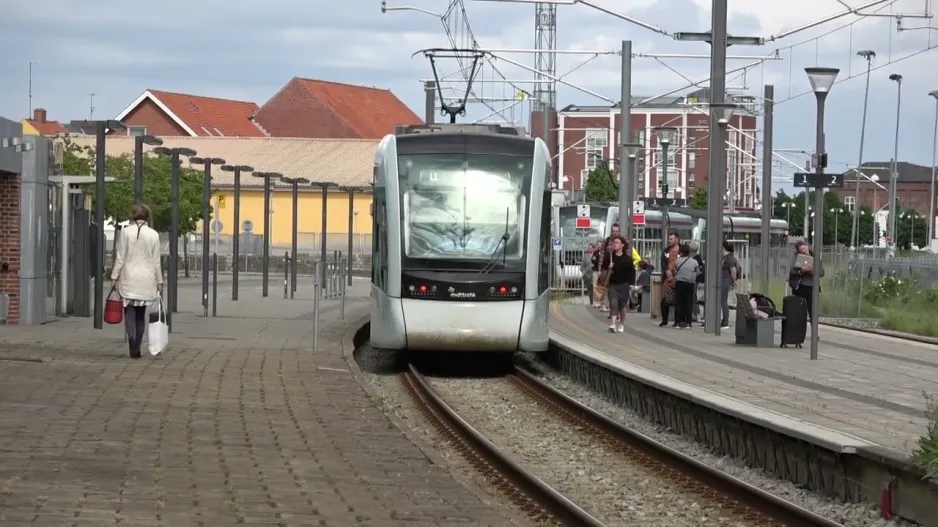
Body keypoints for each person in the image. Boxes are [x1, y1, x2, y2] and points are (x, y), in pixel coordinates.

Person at [111, 204, 163, 359]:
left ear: (133, 216)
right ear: (148, 216)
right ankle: (137, 346)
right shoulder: (154, 235)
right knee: (141, 315)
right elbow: (156, 261)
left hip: (129, 278)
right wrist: (159, 281)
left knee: (129, 313)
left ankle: (132, 341)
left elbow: (120, 257)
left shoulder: (125, 233)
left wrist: (114, 276)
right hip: (147, 280)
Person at [603, 235, 636, 333]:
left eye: (617, 243)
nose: (614, 245)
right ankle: (613, 324)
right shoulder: (609, 256)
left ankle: (621, 324)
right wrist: (609, 267)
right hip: (613, 284)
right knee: (613, 304)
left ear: (622, 245)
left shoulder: (628, 259)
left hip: (624, 285)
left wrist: (631, 284)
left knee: (622, 307)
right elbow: (603, 269)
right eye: (614, 243)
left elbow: (632, 272)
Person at [789, 240, 823, 321]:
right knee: (800, 310)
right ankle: (799, 330)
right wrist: (802, 271)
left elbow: (822, 272)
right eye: (801, 250)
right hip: (800, 286)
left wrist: (813, 271)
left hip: (812, 287)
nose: (804, 251)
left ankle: (814, 331)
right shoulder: (796, 257)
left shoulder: (816, 257)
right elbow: (792, 271)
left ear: (807, 246)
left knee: (813, 310)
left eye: (804, 248)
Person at [673, 243, 700, 329]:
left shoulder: (677, 261)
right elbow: (698, 272)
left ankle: (678, 322)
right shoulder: (694, 262)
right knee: (689, 302)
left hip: (680, 282)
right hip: (690, 283)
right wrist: (693, 276)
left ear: (681, 252)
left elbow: (674, 271)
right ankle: (689, 322)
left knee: (679, 302)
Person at [659, 231, 681, 327]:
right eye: (669, 239)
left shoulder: (682, 250)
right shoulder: (666, 251)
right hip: (667, 278)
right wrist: (666, 270)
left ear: (677, 239)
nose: (669, 241)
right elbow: (663, 262)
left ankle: (677, 321)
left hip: (679, 278)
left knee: (678, 300)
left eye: (671, 239)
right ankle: (664, 320)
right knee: (664, 300)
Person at [719, 240, 739, 329]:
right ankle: (723, 320)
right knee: (721, 300)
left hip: (726, 280)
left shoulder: (729, 257)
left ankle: (725, 321)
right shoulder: (723, 257)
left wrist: (733, 281)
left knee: (723, 300)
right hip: (722, 280)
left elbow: (733, 270)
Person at [688, 242, 705, 325]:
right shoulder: (697, 258)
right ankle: (695, 313)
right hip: (693, 279)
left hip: (694, 279)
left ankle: (696, 314)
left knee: (693, 296)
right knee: (692, 296)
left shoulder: (696, 259)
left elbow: (697, 271)